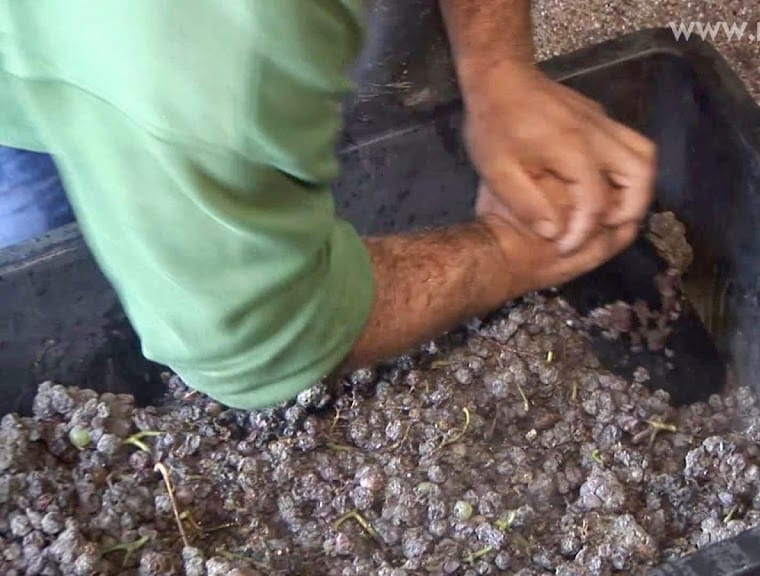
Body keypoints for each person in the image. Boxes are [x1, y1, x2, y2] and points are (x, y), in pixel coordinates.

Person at [0, 1, 656, 409]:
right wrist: (508, 253)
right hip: (111, 56)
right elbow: (253, 341)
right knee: (69, 248)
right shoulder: (211, 46)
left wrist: (496, 68)